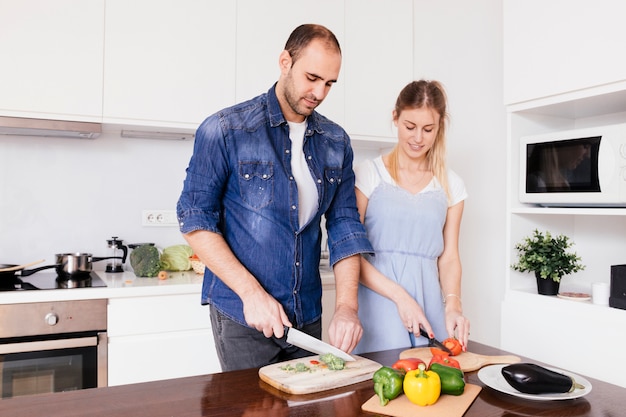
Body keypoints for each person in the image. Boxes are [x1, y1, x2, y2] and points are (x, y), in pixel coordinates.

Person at [176, 24, 373, 371]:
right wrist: (251, 293)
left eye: (329, 83)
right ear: (285, 61)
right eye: (312, 77)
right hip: (243, 315)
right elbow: (194, 219)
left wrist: (347, 307)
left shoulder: (336, 142)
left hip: (306, 315)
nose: (319, 92)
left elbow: (345, 226)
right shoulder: (225, 129)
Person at [352, 80, 470, 354]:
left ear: (440, 125)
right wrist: (400, 297)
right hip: (378, 303)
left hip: (428, 306)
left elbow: (449, 256)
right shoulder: (368, 175)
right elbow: (351, 253)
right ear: (395, 117)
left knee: (430, 388)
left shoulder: (452, 185)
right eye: (410, 126)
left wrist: (453, 306)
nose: (418, 138)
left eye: (428, 129)